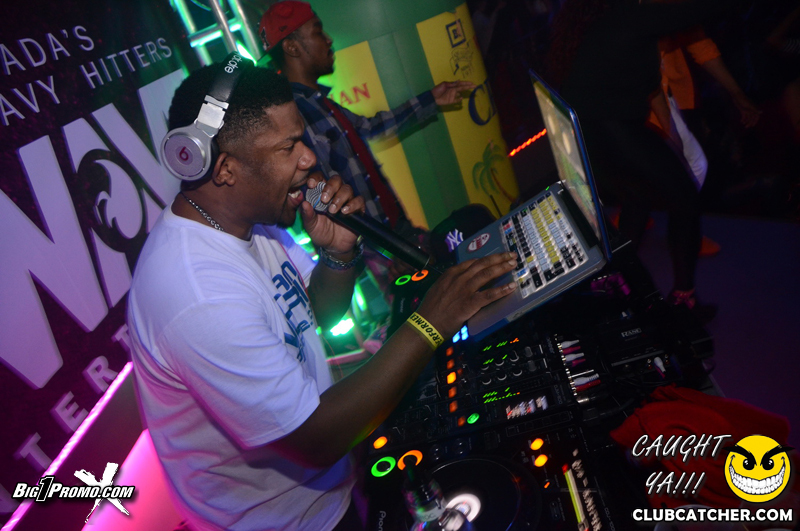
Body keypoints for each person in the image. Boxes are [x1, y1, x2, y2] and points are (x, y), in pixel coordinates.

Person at [127, 61, 517, 531]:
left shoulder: (251, 223)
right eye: (288, 146)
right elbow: (314, 439)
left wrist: (337, 254)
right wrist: (431, 322)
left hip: (326, 493)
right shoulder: (196, 292)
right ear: (225, 167)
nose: (309, 158)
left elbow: (313, 316)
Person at [258, 1, 474, 279]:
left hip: (394, 234)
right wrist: (381, 253)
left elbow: (371, 127)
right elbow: (319, 198)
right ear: (292, 47)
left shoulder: (318, 102)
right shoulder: (293, 113)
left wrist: (431, 99)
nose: (329, 40)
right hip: (382, 251)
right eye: (318, 31)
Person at [546, 0, 729, 317]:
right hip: (607, 127)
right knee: (685, 199)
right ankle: (683, 301)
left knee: (638, 199)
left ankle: (612, 284)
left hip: (590, 129)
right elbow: (698, 10)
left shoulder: (607, 18)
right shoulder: (629, 14)